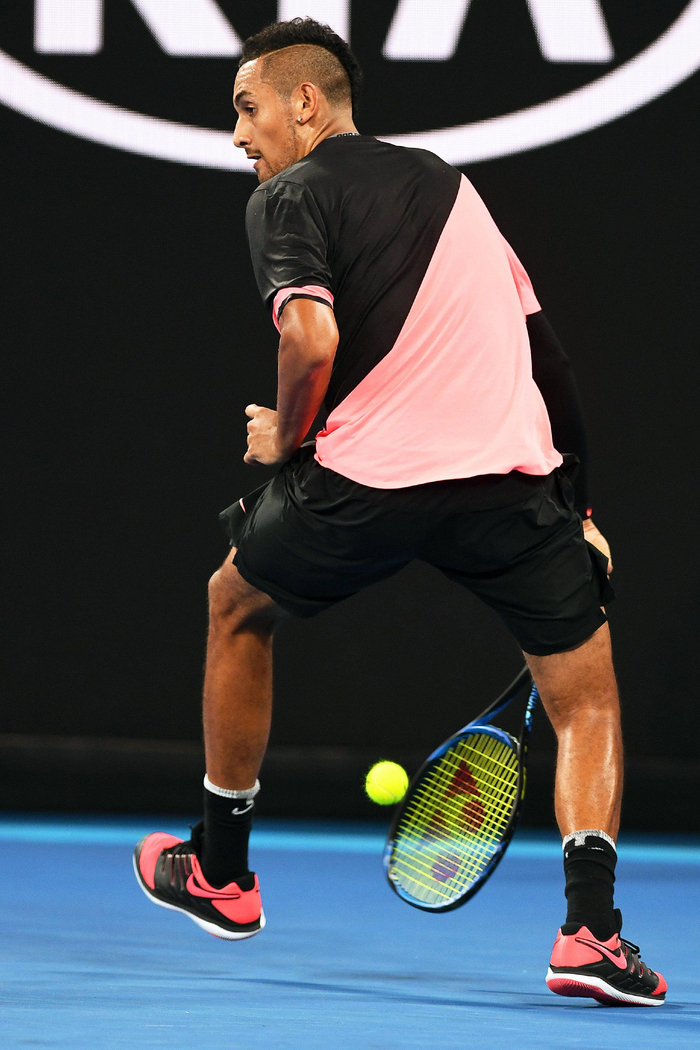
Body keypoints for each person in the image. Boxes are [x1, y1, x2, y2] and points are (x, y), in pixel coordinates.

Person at [133, 18, 665, 1006]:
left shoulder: (287, 195)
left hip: (367, 483)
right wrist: (580, 507)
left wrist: (288, 439)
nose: (238, 135)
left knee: (235, 603)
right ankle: (590, 933)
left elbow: (310, 337)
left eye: (248, 108)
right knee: (586, 700)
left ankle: (221, 871)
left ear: (306, 102)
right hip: (510, 489)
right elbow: (547, 359)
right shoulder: (452, 186)